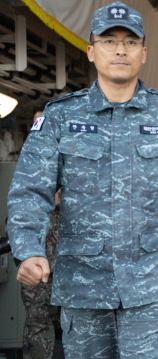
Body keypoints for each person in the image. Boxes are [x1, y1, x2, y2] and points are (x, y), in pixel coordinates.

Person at [7, 2, 158, 358]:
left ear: (144, 53)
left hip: (152, 289)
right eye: (108, 41)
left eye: (130, 41)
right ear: (91, 51)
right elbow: (30, 190)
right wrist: (27, 250)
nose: (120, 49)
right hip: (83, 288)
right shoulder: (61, 117)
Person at [19, 102, 60, 359]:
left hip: (73, 256)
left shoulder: (76, 161)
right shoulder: (29, 162)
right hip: (39, 255)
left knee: (81, 323)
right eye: (36, 123)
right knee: (37, 320)